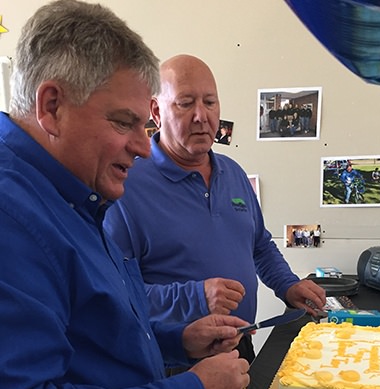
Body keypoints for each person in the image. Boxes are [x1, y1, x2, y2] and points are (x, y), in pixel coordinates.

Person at [0, 4, 250, 389]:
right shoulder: (13, 213)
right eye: (125, 122)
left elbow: (82, 330)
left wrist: (173, 339)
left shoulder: (73, 192)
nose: (144, 146)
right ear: (52, 105)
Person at [104, 54, 326, 365]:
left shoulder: (233, 172)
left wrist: (288, 285)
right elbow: (114, 294)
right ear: (156, 110)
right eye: (185, 103)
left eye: (210, 102)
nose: (201, 116)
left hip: (240, 346)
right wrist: (195, 298)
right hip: (174, 364)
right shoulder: (125, 187)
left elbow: (259, 246)